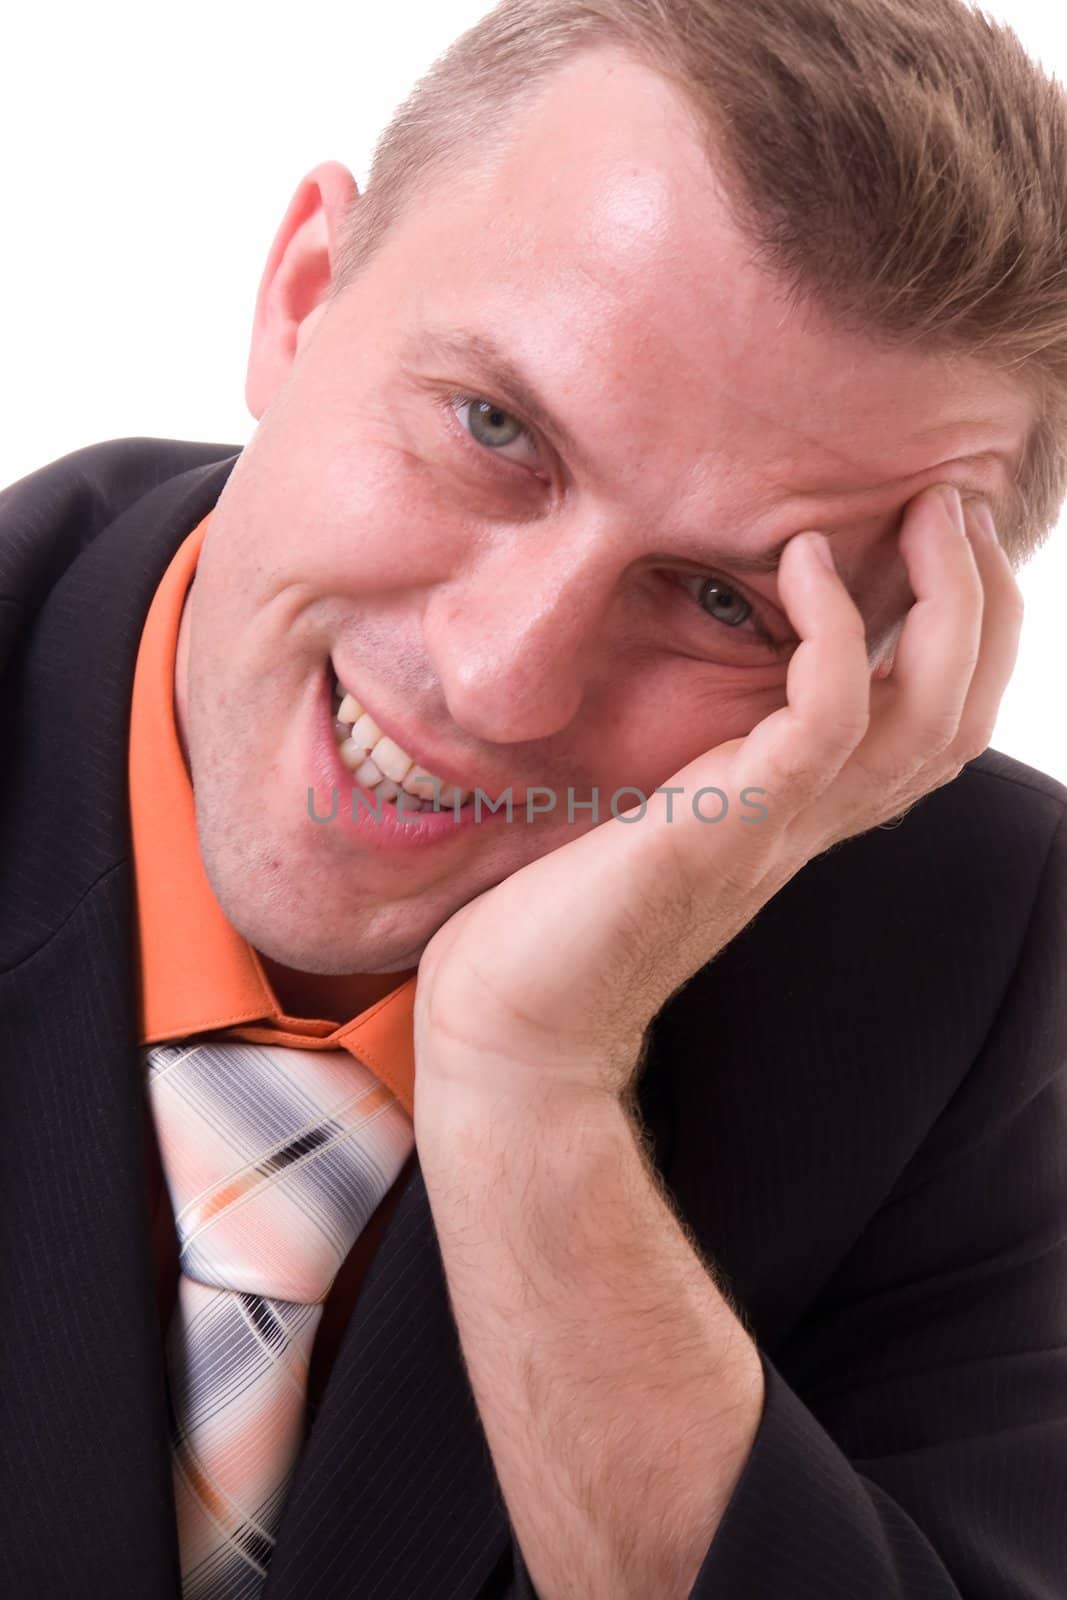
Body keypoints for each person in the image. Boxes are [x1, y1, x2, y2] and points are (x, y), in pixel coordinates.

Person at [1, 0, 1065, 1595]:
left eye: (722, 602)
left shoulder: (975, 960)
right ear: (302, 299)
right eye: (494, 429)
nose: (501, 682)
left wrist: (535, 1083)